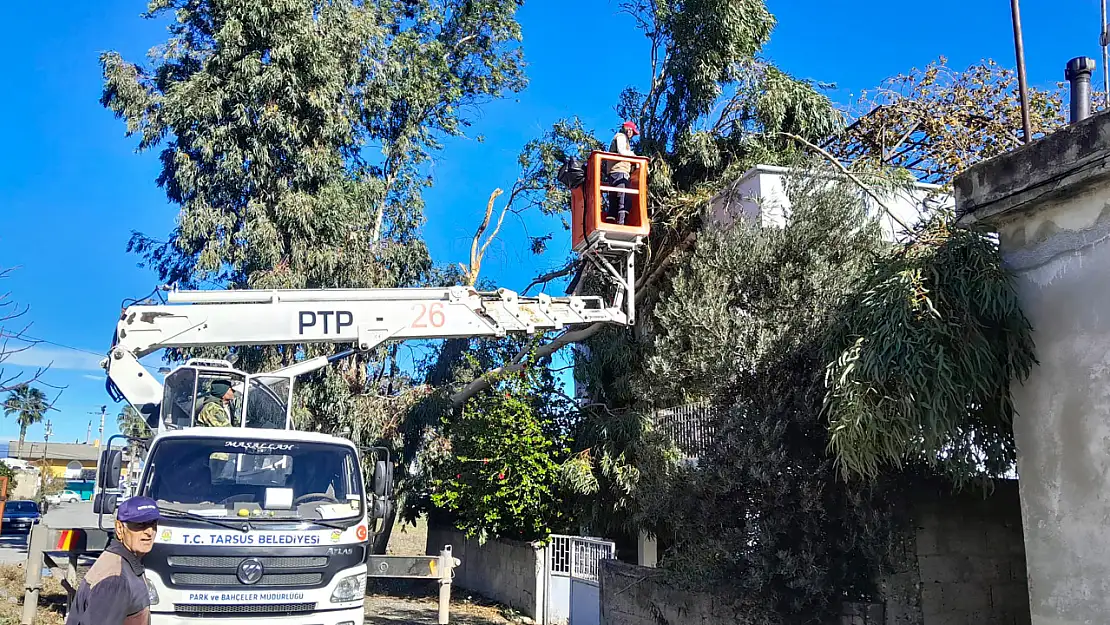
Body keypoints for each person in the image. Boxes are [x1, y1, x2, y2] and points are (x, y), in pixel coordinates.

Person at [65, 496, 160, 625]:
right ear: (120, 528)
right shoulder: (115, 581)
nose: (149, 532)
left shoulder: (126, 564)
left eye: (153, 523)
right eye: (140, 525)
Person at [606, 121, 640, 225]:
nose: (631, 135)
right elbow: (621, 151)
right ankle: (621, 223)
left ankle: (611, 221)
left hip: (615, 172)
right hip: (620, 171)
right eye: (631, 132)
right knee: (623, 197)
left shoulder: (621, 138)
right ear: (627, 129)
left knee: (614, 199)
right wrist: (635, 157)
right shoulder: (621, 137)